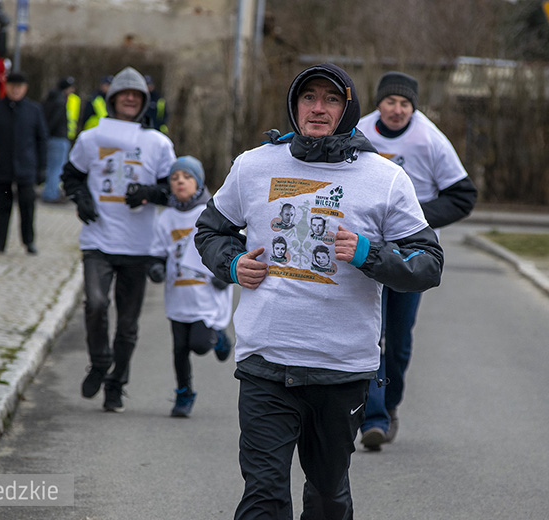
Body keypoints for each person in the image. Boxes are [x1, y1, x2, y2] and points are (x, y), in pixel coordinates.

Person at [194, 63, 444, 520]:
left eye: (331, 99)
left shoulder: (384, 178)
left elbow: (428, 264)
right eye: (308, 97)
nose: (318, 108)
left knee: (327, 496)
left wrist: (370, 253)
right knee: (264, 495)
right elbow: (211, 230)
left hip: (340, 368)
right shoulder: (254, 165)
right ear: (294, 104)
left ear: (349, 108)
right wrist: (232, 264)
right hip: (265, 362)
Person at [355, 71, 478, 450]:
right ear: (378, 104)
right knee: (368, 336)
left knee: (399, 341)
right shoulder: (359, 134)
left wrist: (413, 216)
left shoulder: (429, 139)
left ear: (414, 108)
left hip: (413, 255)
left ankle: (389, 405)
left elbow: (462, 196)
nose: (397, 110)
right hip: (368, 253)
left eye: (405, 104)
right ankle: (372, 418)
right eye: (390, 102)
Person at [61, 66, 176, 412]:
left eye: (136, 95)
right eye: (123, 94)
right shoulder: (91, 138)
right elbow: (71, 176)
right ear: (112, 99)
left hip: (139, 245)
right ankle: (99, 362)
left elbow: (174, 190)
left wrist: (149, 191)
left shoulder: (158, 143)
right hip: (98, 239)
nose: (129, 98)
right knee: (95, 304)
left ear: (143, 102)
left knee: (127, 325)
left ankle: (115, 385)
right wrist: (80, 200)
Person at [148, 156, 234, 418]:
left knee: (198, 344)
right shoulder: (166, 218)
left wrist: (224, 269)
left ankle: (218, 339)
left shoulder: (209, 213)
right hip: (178, 295)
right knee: (179, 349)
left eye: (186, 177)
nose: (180, 182)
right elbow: (157, 251)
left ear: (198, 183)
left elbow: (231, 242)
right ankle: (184, 393)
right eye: (174, 178)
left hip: (205, 295)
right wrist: (155, 268)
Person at [0, 71, 48, 255]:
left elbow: (42, 140)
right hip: (3, 168)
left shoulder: (34, 110)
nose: (15, 90)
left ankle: (29, 241)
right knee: (2, 207)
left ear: (25, 88)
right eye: (12, 86)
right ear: (6, 87)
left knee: (27, 208)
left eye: (19, 87)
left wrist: (42, 167)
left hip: (26, 169)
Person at [41, 76, 76, 203]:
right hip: (59, 138)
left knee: (51, 167)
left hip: (50, 139)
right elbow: (54, 121)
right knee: (57, 167)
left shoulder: (49, 100)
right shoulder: (60, 102)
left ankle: (49, 191)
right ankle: (51, 194)